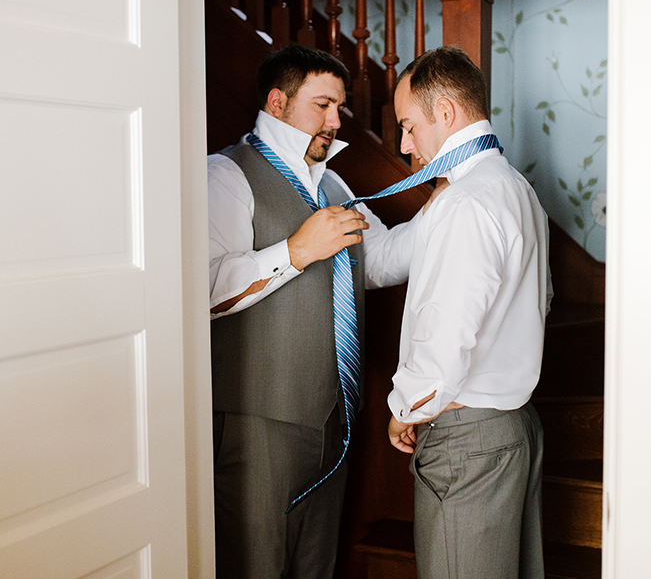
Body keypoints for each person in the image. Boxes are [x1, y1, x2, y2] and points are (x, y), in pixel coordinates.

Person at [208, 44, 416, 578]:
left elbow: (379, 262)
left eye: (339, 108)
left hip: (333, 416)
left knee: (314, 567)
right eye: (323, 105)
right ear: (277, 102)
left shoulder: (336, 186)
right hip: (259, 418)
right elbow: (203, 290)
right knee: (254, 564)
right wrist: (296, 251)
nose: (335, 120)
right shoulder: (225, 174)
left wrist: (451, 211)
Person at [385, 46, 551, 579]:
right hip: (514, 430)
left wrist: (406, 406)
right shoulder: (518, 192)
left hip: (468, 443)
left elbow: (445, 332)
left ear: (448, 114)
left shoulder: (464, 203)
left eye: (409, 126)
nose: (404, 144)